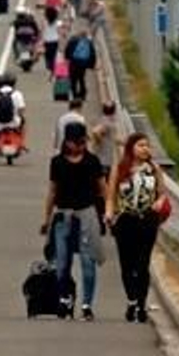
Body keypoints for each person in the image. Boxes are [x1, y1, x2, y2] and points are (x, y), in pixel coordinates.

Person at [43, 125, 106, 320]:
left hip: (86, 214)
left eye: (81, 142)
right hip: (63, 215)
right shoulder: (57, 162)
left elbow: (102, 189)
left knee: (88, 262)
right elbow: (52, 191)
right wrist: (46, 219)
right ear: (66, 141)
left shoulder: (92, 162)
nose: (78, 146)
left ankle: (87, 304)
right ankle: (64, 299)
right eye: (74, 142)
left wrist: (106, 214)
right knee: (62, 262)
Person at [108, 132, 167, 323]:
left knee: (143, 264)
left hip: (147, 220)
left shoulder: (153, 168)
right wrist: (109, 213)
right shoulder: (121, 168)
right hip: (126, 220)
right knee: (127, 264)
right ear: (131, 147)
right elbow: (110, 196)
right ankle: (131, 299)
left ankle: (141, 304)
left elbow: (162, 193)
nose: (145, 149)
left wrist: (159, 202)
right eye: (141, 145)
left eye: (147, 145)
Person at [64, 23, 97, 102]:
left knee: (73, 79)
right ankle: (83, 94)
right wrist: (92, 65)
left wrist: (67, 58)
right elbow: (92, 54)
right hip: (83, 63)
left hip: (74, 62)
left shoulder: (73, 39)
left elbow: (67, 50)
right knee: (81, 78)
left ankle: (74, 95)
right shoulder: (88, 42)